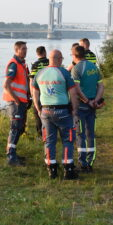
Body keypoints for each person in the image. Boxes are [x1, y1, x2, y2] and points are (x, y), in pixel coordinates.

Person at [31, 49, 81, 180]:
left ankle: (51, 170)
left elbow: (34, 92)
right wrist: (75, 111)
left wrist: (38, 108)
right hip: (63, 111)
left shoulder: (40, 73)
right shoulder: (64, 72)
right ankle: (68, 170)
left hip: (46, 111)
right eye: (62, 59)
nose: (62, 61)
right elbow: (73, 93)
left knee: (49, 141)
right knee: (68, 140)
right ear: (58, 59)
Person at [71, 44, 105, 172]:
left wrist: (86, 101)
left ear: (74, 55)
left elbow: (76, 89)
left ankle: (83, 163)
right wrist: (95, 101)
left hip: (81, 106)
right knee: (91, 134)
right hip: (92, 106)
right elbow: (101, 86)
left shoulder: (76, 69)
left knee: (80, 135)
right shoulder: (94, 67)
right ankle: (90, 162)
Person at [3, 41, 30, 166]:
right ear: (16, 50)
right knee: (15, 128)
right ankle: (11, 157)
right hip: (15, 102)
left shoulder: (22, 64)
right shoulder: (13, 64)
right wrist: (17, 100)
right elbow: (6, 84)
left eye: (26, 48)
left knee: (20, 128)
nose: (25, 51)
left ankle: (12, 152)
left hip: (22, 101)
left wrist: (27, 98)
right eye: (23, 49)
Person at [29, 46, 50, 136]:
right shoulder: (50, 62)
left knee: (38, 112)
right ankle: (50, 131)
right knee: (49, 111)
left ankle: (40, 134)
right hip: (50, 90)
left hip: (38, 91)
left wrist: (32, 95)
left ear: (37, 53)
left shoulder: (35, 65)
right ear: (45, 52)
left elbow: (32, 81)